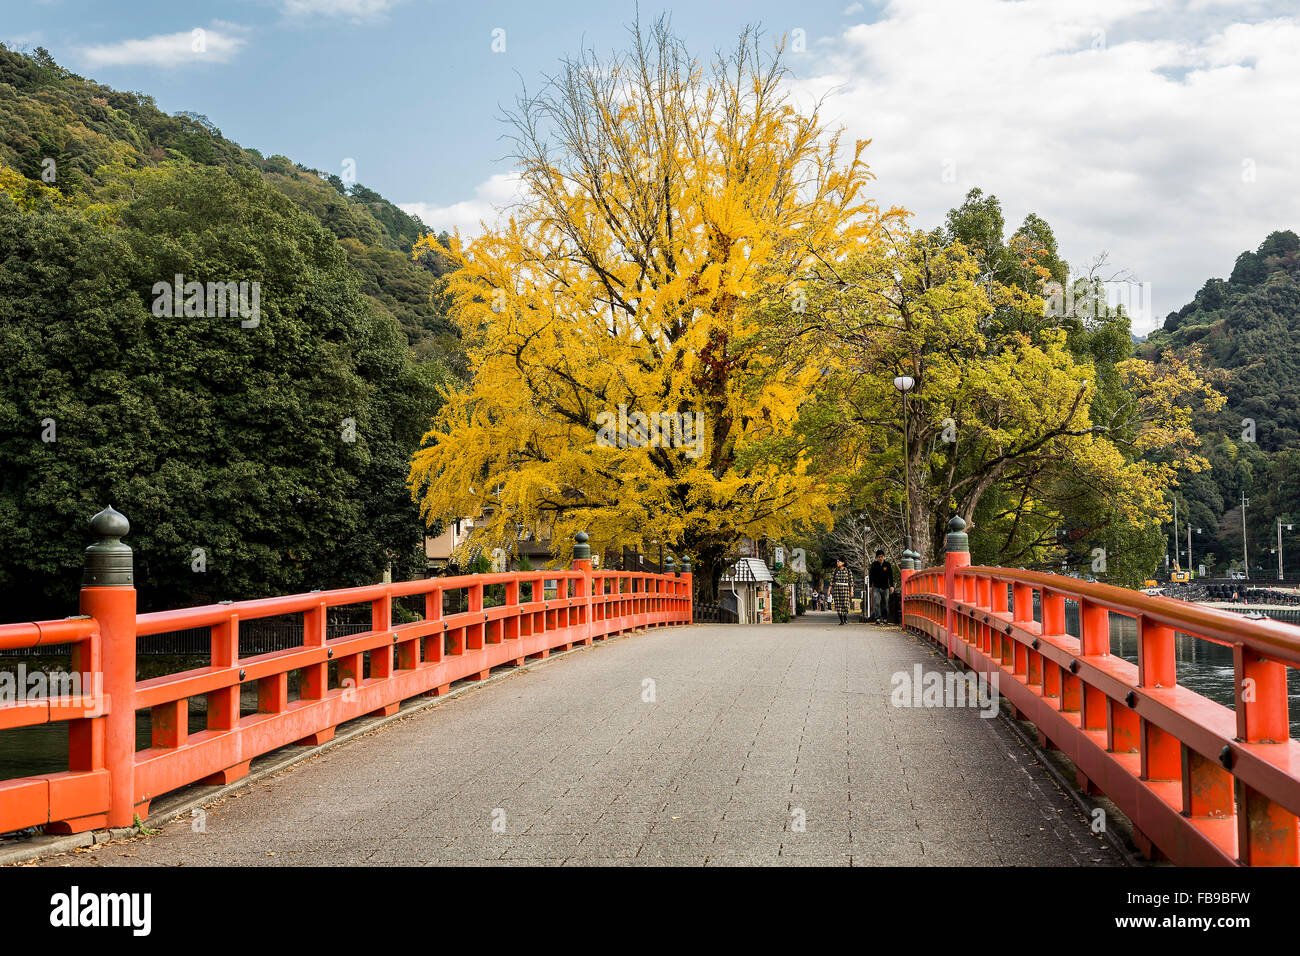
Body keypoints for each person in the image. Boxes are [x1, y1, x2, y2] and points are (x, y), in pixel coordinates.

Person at [867, 549, 895, 624]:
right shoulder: (874, 565)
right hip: (876, 587)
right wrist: (870, 586)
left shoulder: (887, 565)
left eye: (882, 557)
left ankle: (885, 617)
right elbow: (871, 576)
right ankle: (878, 618)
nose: (880, 558)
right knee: (876, 602)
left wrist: (892, 586)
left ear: (884, 557)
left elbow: (891, 576)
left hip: (885, 587)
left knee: (885, 603)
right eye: (879, 557)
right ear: (876, 558)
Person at [831, 559, 853, 625]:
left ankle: (845, 616)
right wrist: (829, 591)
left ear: (843, 562)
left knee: (846, 604)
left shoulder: (848, 571)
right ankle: (841, 620)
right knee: (838, 604)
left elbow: (851, 582)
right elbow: (832, 581)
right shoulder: (835, 571)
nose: (837, 562)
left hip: (845, 589)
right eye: (837, 561)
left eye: (839, 561)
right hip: (837, 589)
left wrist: (852, 591)